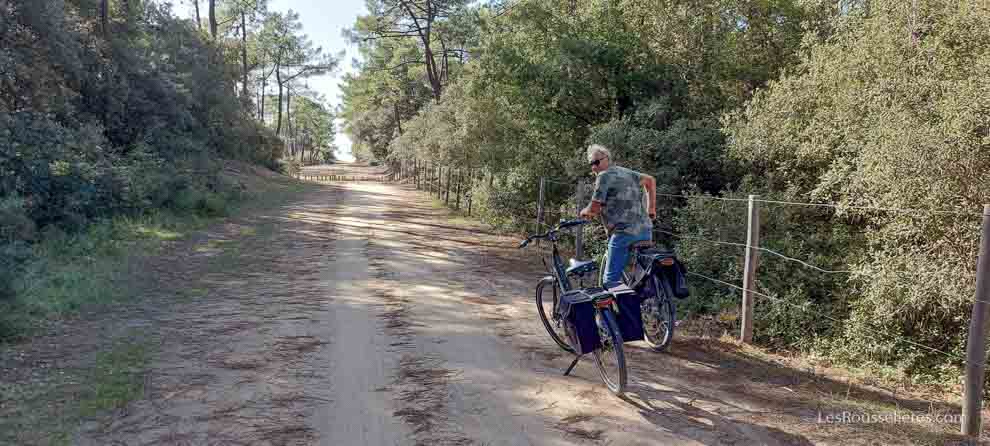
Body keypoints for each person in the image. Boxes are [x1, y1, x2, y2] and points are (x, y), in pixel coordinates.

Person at [579, 144, 656, 285]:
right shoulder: (626, 172)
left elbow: (594, 208)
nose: (594, 167)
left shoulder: (604, 176)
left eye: (596, 162)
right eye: (591, 164)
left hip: (623, 233)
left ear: (606, 159)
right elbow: (650, 180)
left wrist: (584, 211)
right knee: (641, 278)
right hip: (646, 229)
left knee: (609, 281)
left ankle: (613, 304)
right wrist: (651, 210)